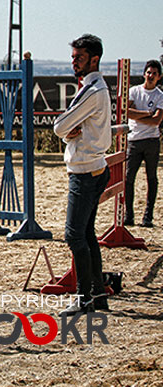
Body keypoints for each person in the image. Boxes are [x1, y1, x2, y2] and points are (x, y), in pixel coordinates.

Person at [53, 34, 112, 314]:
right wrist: (69, 134)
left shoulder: (92, 90)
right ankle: (98, 294)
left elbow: (59, 125)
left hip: (85, 170)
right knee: (87, 234)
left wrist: (66, 134)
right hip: (94, 167)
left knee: (74, 236)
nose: (74, 62)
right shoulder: (98, 86)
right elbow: (69, 128)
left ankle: (83, 297)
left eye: (79, 57)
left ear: (94, 59)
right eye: (73, 57)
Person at [125, 59, 163, 227]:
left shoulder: (160, 96)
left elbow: (157, 121)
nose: (151, 76)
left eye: (154, 73)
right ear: (144, 74)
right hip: (134, 140)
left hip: (152, 141)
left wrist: (139, 115)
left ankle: (148, 216)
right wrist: (147, 112)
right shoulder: (134, 91)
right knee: (128, 178)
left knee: (152, 178)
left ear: (159, 77)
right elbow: (127, 112)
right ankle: (129, 215)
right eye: (149, 72)